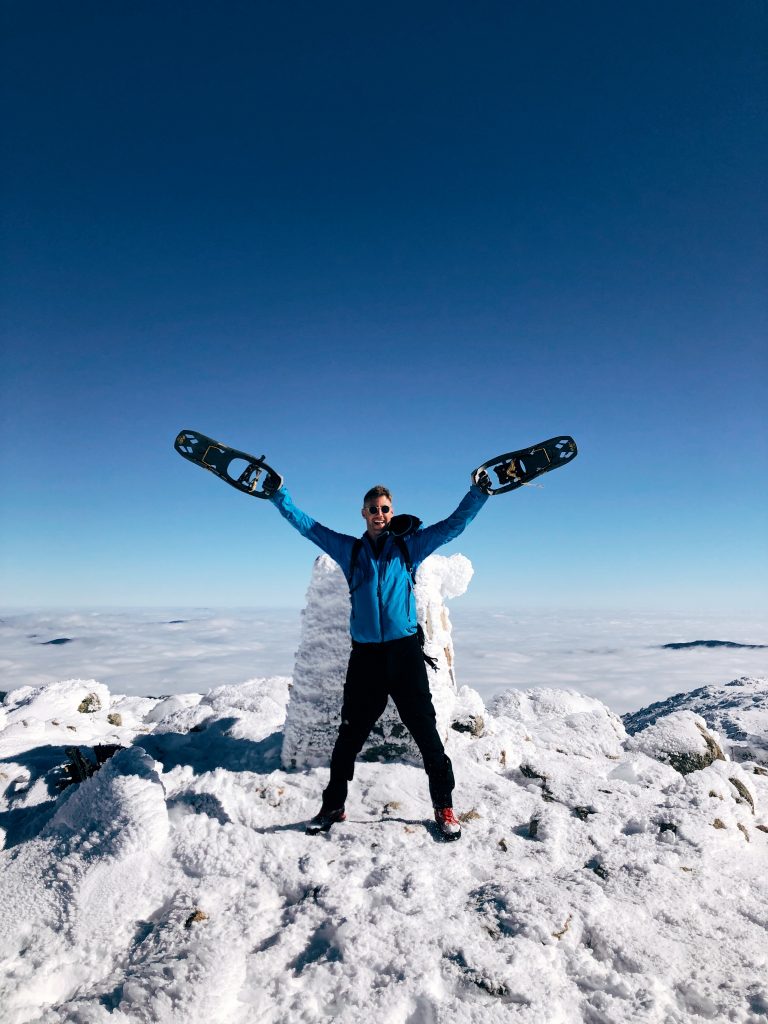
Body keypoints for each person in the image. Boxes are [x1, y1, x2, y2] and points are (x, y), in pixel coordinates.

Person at [269, 479, 489, 839]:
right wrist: (280, 496)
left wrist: (478, 494)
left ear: (392, 512)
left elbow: (453, 526)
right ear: (364, 513)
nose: (380, 514)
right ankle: (333, 805)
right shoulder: (350, 552)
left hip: (404, 656)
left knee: (427, 735)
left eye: (385, 509)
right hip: (366, 658)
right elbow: (308, 526)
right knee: (349, 737)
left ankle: (444, 806)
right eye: (373, 509)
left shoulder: (408, 549)